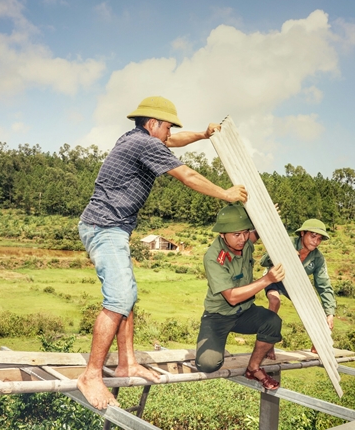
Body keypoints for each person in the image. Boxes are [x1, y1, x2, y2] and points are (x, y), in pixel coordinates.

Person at [77, 96, 247, 410]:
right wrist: (227, 194)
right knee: (118, 299)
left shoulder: (136, 138)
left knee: (127, 293)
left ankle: (127, 362)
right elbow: (189, 176)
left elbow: (174, 140)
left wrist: (203, 135)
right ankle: (90, 375)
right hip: (104, 228)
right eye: (167, 125)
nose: (170, 133)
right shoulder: (144, 145)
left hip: (108, 227)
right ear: (152, 123)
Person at [195, 204, 285, 390]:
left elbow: (255, 234)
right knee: (208, 364)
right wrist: (267, 279)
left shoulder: (244, 242)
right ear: (222, 234)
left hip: (244, 312)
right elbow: (232, 298)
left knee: (273, 321)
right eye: (237, 234)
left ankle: (253, 367)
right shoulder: (214, 257)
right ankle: (214, 342)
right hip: (218, 316)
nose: (243, 239)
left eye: (245, 232)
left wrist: (267, 217)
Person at [261, 218, 336, 358]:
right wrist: (284, 254)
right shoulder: (287, 242)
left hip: (295, 283)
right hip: (275, 278)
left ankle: (318, 343)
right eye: (313, 236)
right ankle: (267, 344)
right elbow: (263, 260)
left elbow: (324, 285)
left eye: (319, 238)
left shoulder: (318, 257)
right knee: (274, 301)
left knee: (315, 307)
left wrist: (329, 312)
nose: (316, 241)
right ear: (302, 233)